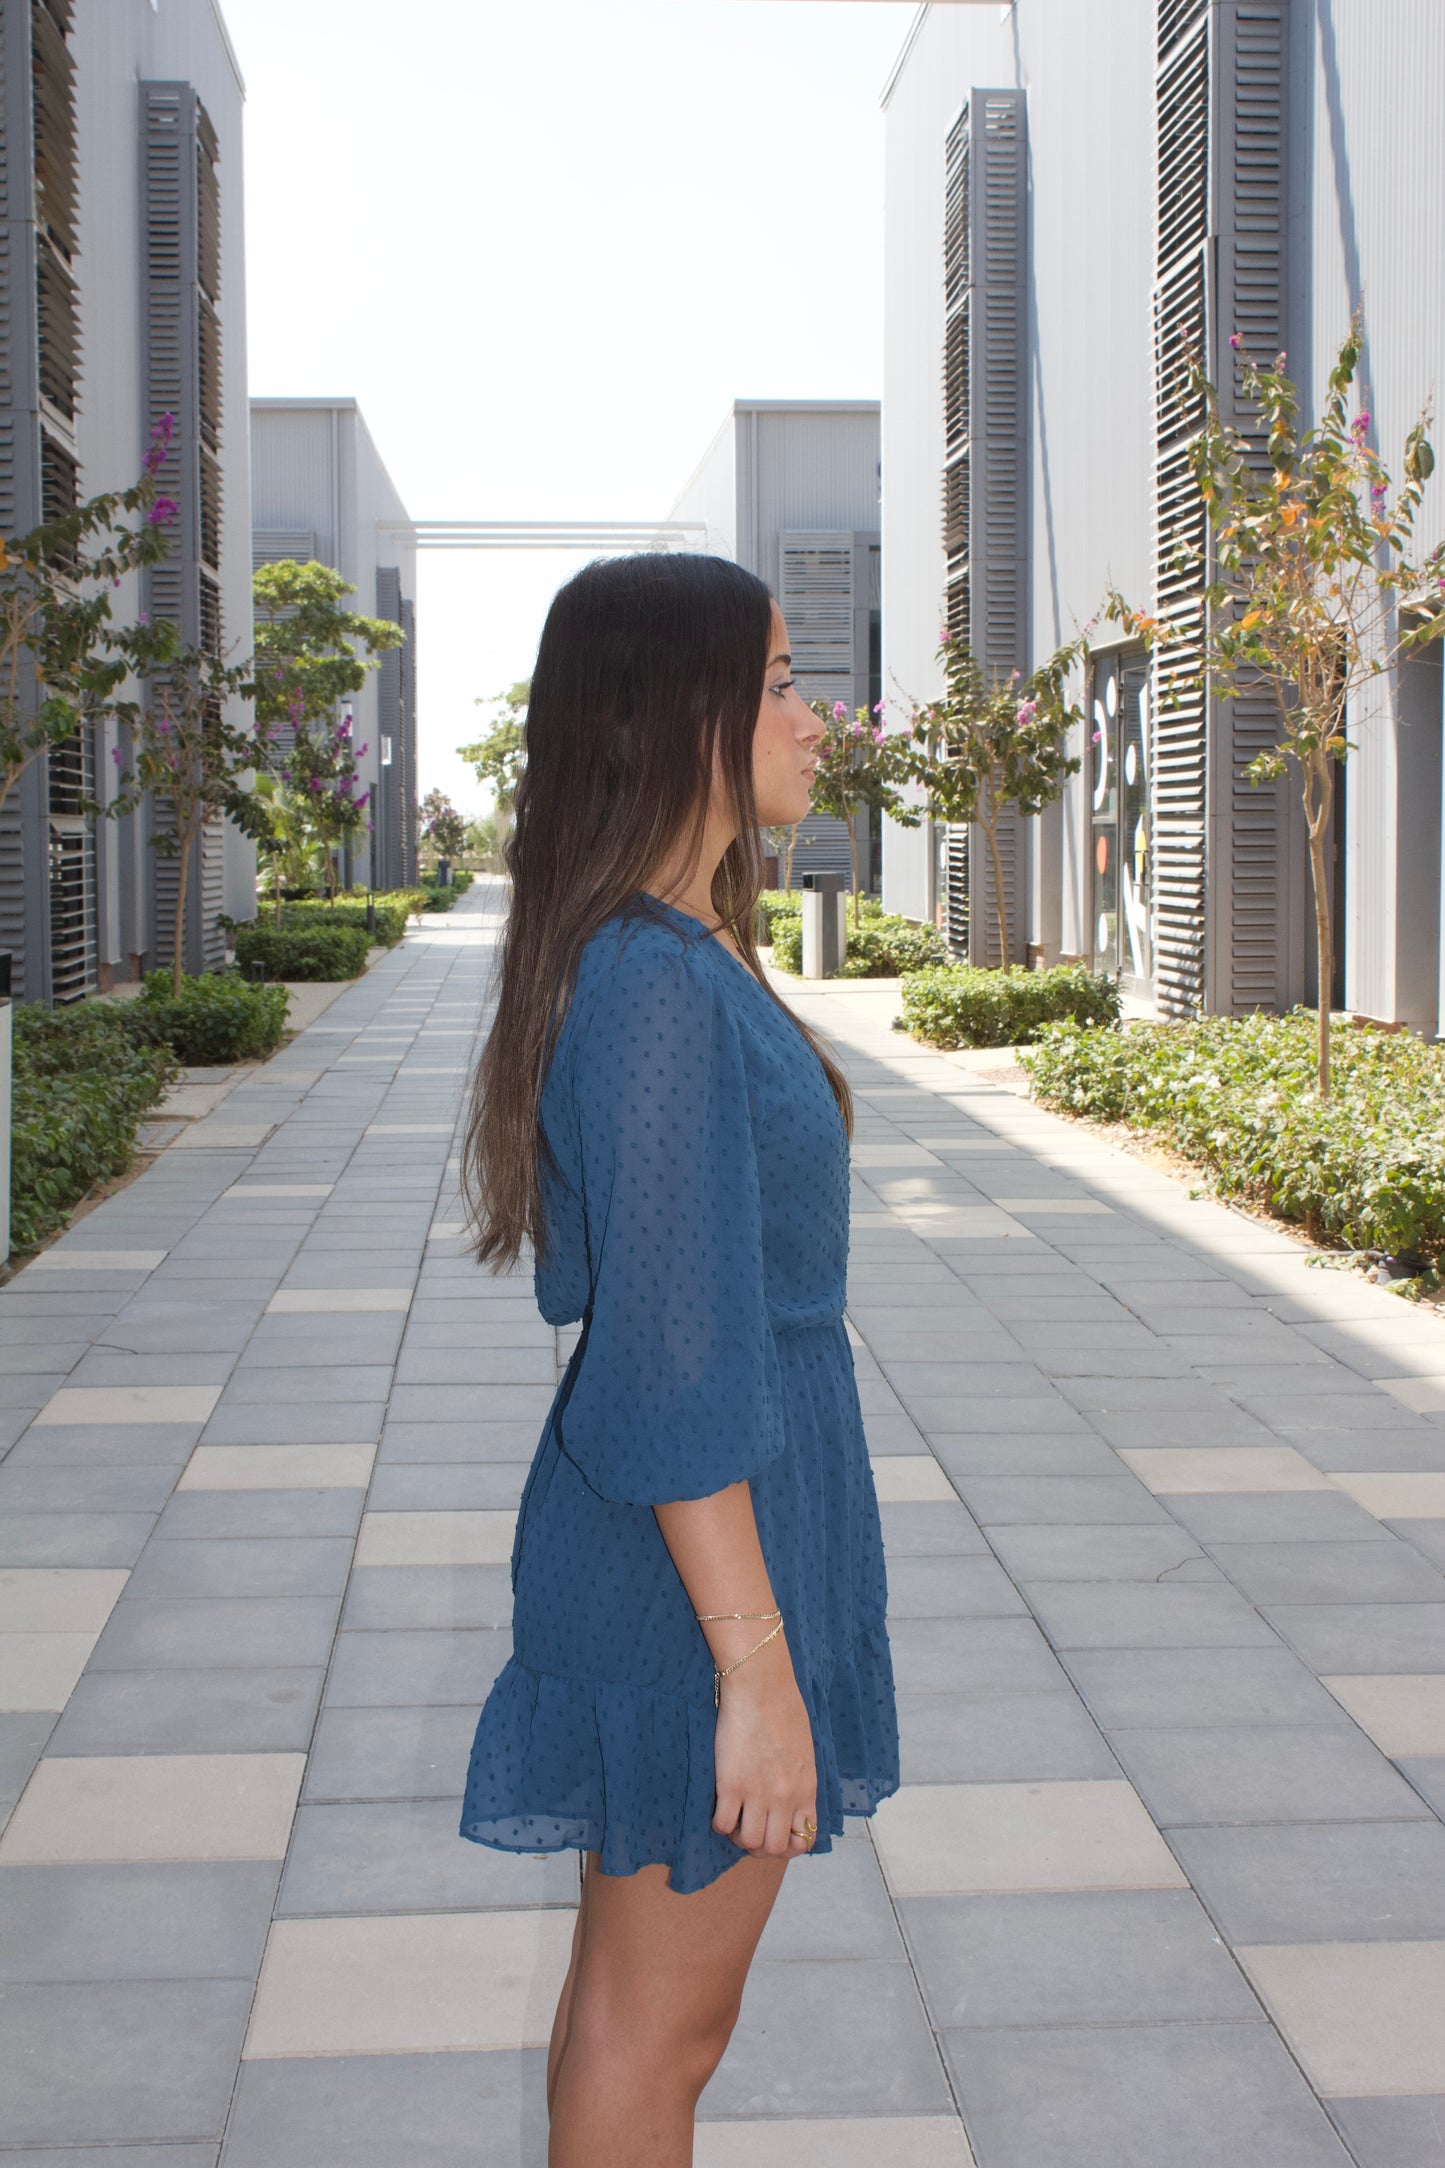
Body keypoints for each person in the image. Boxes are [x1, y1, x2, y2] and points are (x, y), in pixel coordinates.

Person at [459, 551, 898, 2166]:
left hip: (716, 1533)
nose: (813, 716)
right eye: (778, 681)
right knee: (658, 2037)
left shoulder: (677, 950)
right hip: (693, 1563)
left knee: (636, 2023)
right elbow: (661, 1358)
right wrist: (755, 1668)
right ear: (673, 716)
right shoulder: (653, 985)